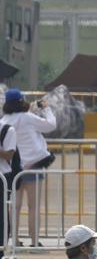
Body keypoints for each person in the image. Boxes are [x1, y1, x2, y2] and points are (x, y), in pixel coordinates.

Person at [2, 87, 59, 246]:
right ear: (21, 101)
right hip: (34, 165)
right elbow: (50, 125)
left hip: (14, 168)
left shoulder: (5, 120)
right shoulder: (28, 117)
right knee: (33, 206)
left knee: (15, 206)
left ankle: (14, 241)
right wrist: (46, 108)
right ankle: (34, 242)